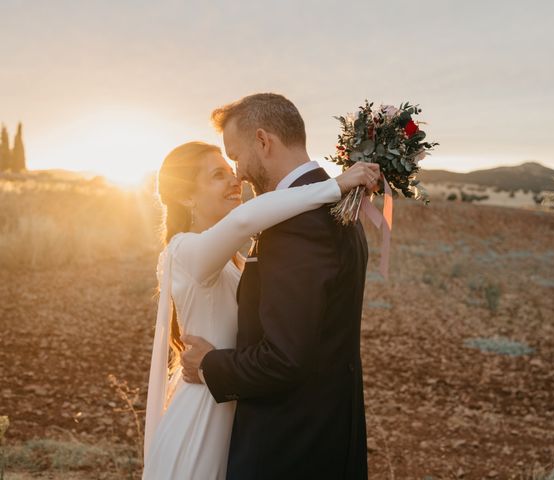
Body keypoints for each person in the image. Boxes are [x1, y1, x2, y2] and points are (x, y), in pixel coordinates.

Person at [142, 139, 379, 479]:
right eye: (217, 176)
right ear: (186, 195)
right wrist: (334, 186)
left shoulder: (230, 258)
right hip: (204, 413)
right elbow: (245, 221)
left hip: (233, 400)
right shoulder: (186, 252)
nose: (234, 179)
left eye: (230, 170)